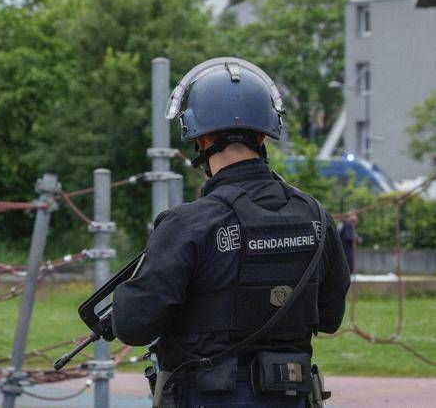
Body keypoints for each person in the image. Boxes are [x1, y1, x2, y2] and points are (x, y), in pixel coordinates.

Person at [111, 58, 350, 407]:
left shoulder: (186, 224)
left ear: (202, 138)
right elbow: (330, 318)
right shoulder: (316, 216)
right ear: (261, 135)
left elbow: (133, 326)